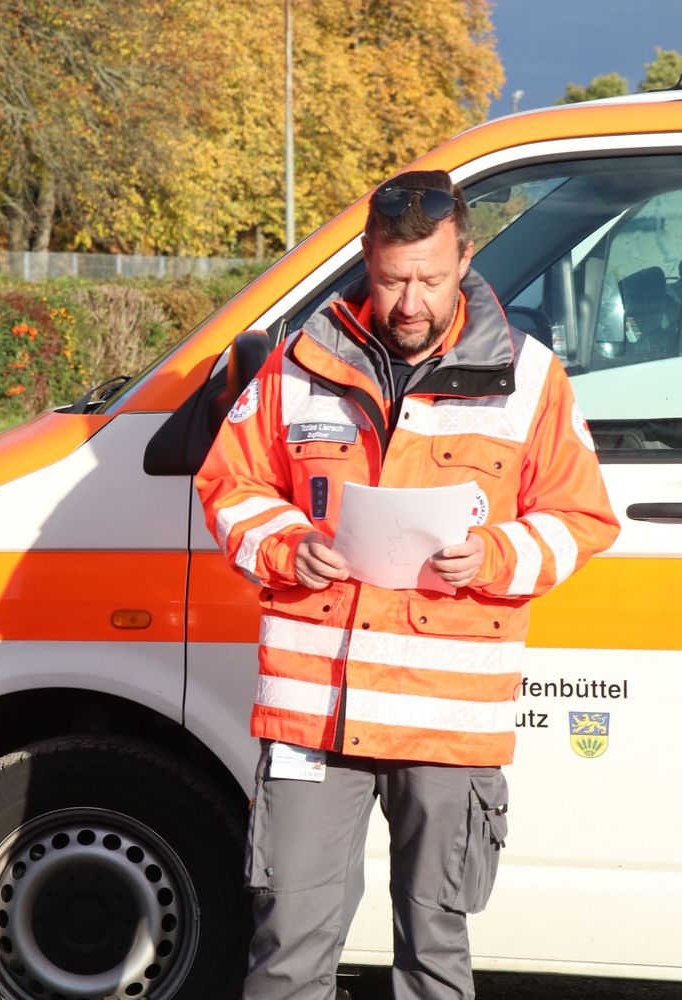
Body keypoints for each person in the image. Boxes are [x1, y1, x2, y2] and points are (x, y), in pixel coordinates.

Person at [196, 169, 619, 1000]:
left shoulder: (530, 377)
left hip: (445, 719)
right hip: (317, 714)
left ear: (465, 258)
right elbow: (229, 485)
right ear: (368, 258)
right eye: (393, 280)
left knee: (433, 953)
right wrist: (288, 545)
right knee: (286, 950)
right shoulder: (297, 363)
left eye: (429, 279)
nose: (410, 302)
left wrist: (493, 554)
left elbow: (583, 517)